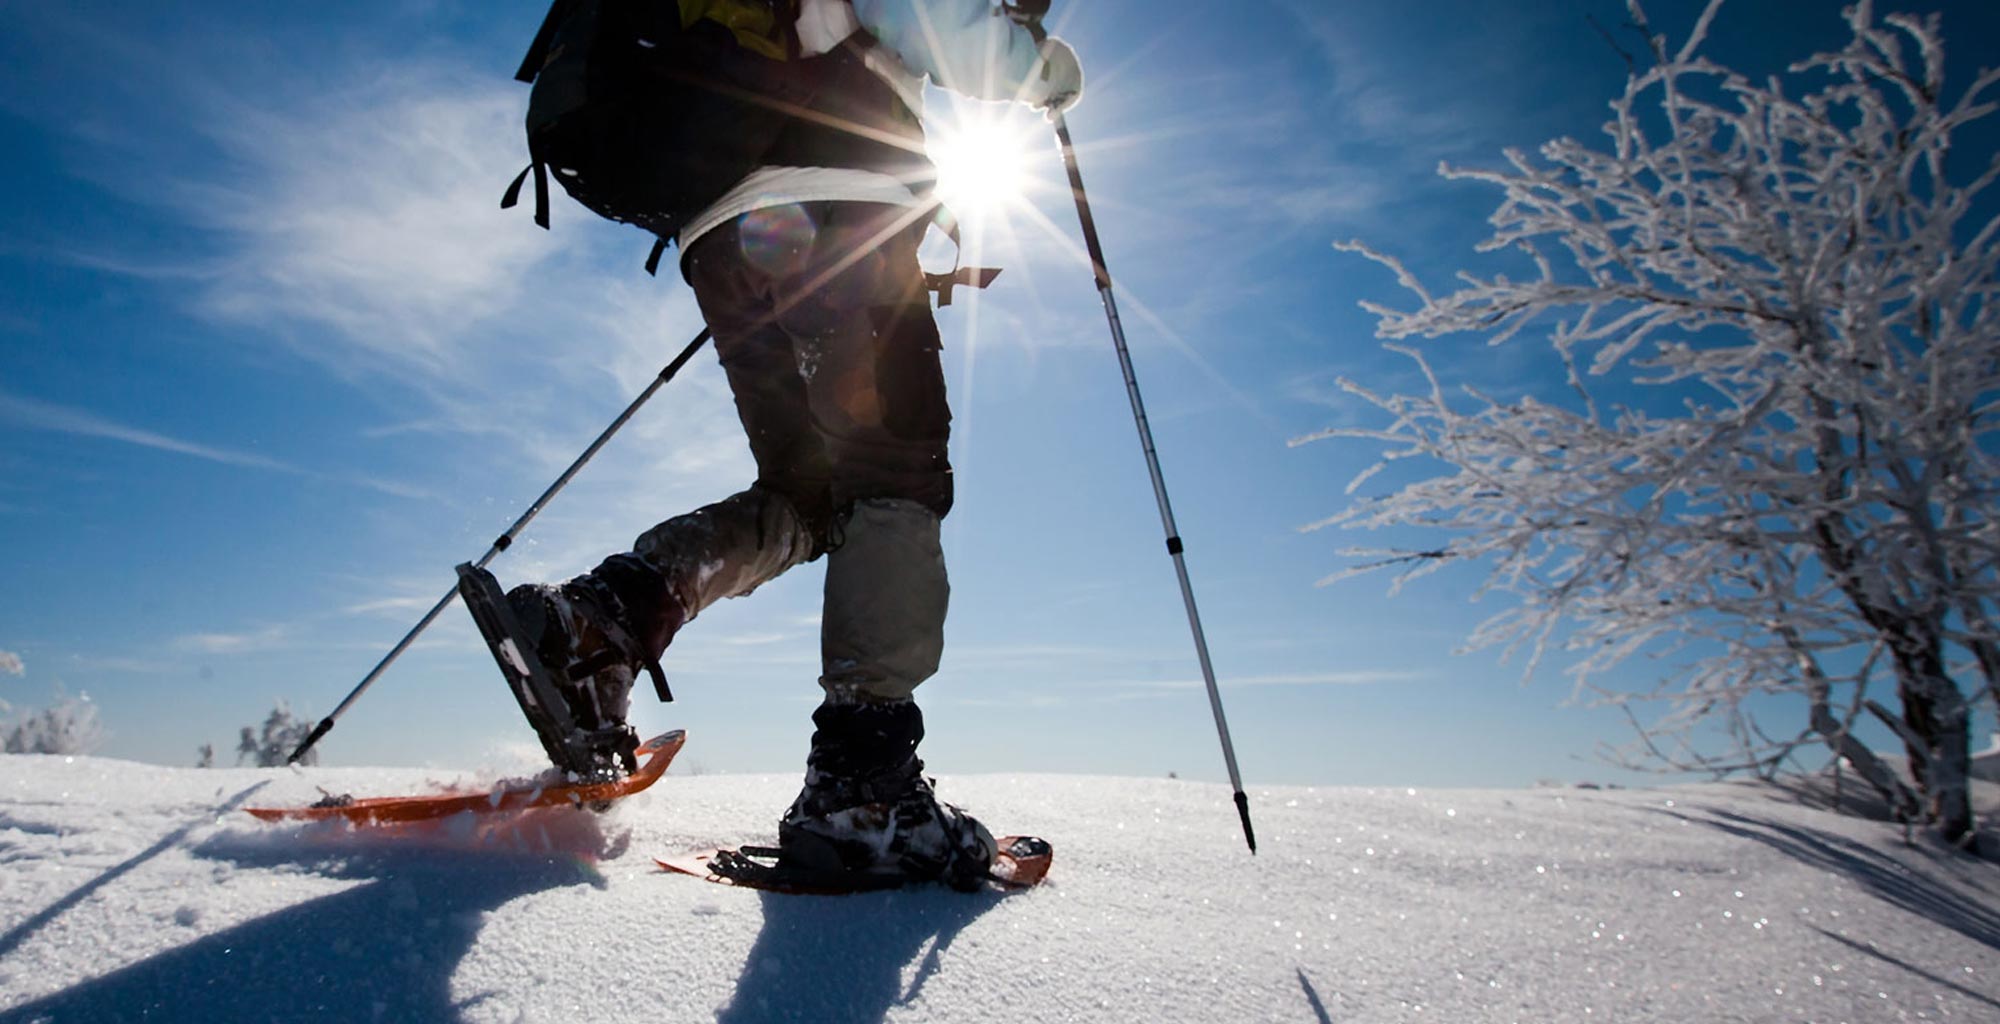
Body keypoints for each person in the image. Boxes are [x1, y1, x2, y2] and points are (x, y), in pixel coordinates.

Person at [504, 0, 1082, 890]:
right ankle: (865, 790)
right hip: (828, 208)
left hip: (722, 227)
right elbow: (931, 23)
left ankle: (600, 624)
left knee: (810, 496)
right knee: (896, 475)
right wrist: (1043, 67)